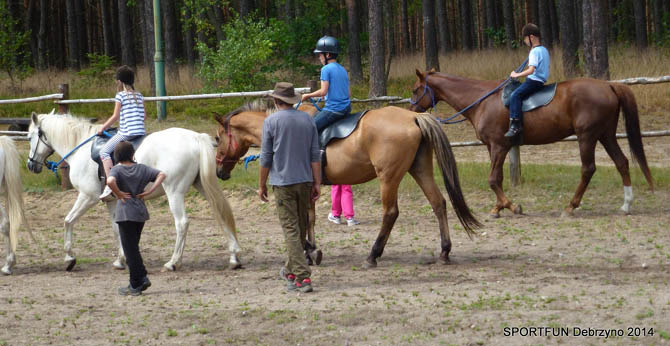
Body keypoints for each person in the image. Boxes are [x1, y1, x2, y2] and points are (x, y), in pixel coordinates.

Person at [259, 82, 321, 293]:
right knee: (301, 226)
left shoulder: (271, 122)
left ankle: (303, 277)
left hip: (282, 182)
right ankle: (291, 271)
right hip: (304, 180)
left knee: (291, 229)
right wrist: (317, 181)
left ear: (276, 101)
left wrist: (261, 185)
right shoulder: (308, 120)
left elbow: (266, 157)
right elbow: (315, 155)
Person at [107, 141, 166, 296]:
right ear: (132, 154)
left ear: (117, 155)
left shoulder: (117, 170)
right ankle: (140, 279)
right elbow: (162, 174)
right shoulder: (142, 168)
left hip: (125, 213)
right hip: (140, 212)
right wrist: (151, 190)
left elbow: (109, 181)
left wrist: (118, 194)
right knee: (133, 248)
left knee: (130, 250)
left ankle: (136, 284)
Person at [98, 65, 147, 200]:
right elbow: (144, 116)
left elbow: (115, 116)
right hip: (141, 131)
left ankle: (109, 183)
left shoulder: (120, 96)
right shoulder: (139, 95)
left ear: (119, 81)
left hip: (127, 132)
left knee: (104, 152)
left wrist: (102, 127)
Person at [505, 23, 550, 139]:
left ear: (531, 37)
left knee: (515, 95)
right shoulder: (544, 50)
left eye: (525, 38)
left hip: (533, 81)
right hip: (541, 81)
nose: (524, 41)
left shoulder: (534, 51)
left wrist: (516, 74)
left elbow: (531, 70)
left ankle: (515, 125)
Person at [301, 35, 351, 133]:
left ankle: (318, 148)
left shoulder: (325, 69)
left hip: (334, 109)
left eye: (320, 55)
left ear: (327, 55)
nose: (319, 58)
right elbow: (348, 93)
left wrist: (308, 95)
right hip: (346, 108)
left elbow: (323, 91)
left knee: (309, 129)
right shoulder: (342, 69)